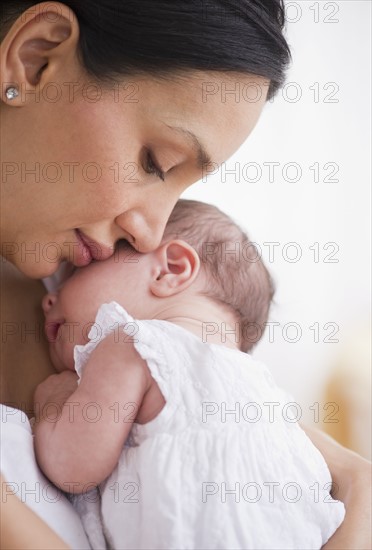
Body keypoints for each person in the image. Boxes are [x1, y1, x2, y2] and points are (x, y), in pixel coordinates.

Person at [0, 2, 370, 549]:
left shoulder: (86, 295)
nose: (150, 233)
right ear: (36, 58)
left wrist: (359, 483)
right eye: (156, 162)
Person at [34, 199, 346, 549]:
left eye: (74, 272)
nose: (49, 298)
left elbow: (70, 465)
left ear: (170, 269)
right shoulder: (273, 398)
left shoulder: (135, 343)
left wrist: (54, 401)